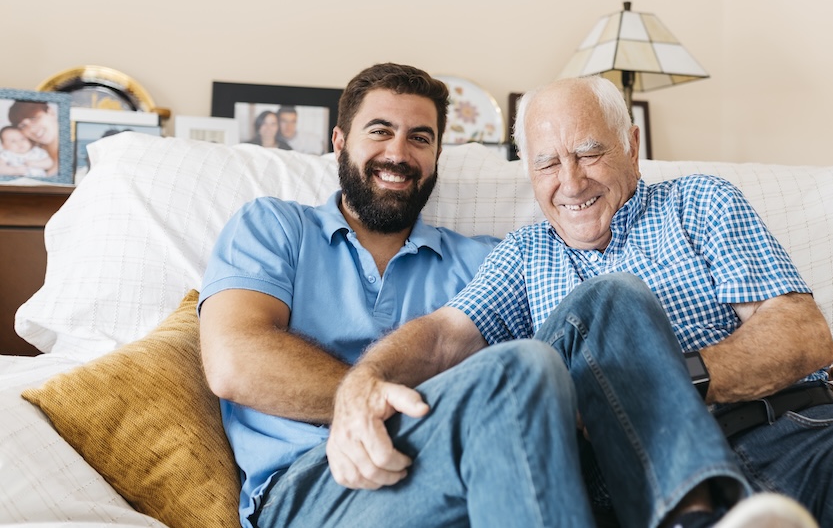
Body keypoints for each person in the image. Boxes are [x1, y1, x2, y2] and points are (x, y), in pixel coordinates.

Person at [329, 76, 833, 528]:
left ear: (632, 145)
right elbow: (445, 335)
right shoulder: (524, 252)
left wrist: (659, 378)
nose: (570, 181)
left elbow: (800, 335)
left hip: (800, 434)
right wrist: (364, 379)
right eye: (546, 163)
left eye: (589, 152)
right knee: (604, 302)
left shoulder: (699, 202)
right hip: (632, 481)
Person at [199, 63, 597, 528]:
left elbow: (568, 368)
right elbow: (234, 361)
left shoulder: (487, 260)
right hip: (310, 485)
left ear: (436, 156)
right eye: (380, 131)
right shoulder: (274, 227)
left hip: (466, 468)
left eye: (420, 138)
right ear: (340, 142)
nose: (398, 153)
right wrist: (366, 397)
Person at [7, 101, 60, 176]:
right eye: (23, 126)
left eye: (34, 118)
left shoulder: (74, 152)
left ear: (50, 112)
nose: (31, 130)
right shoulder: (29, 154)